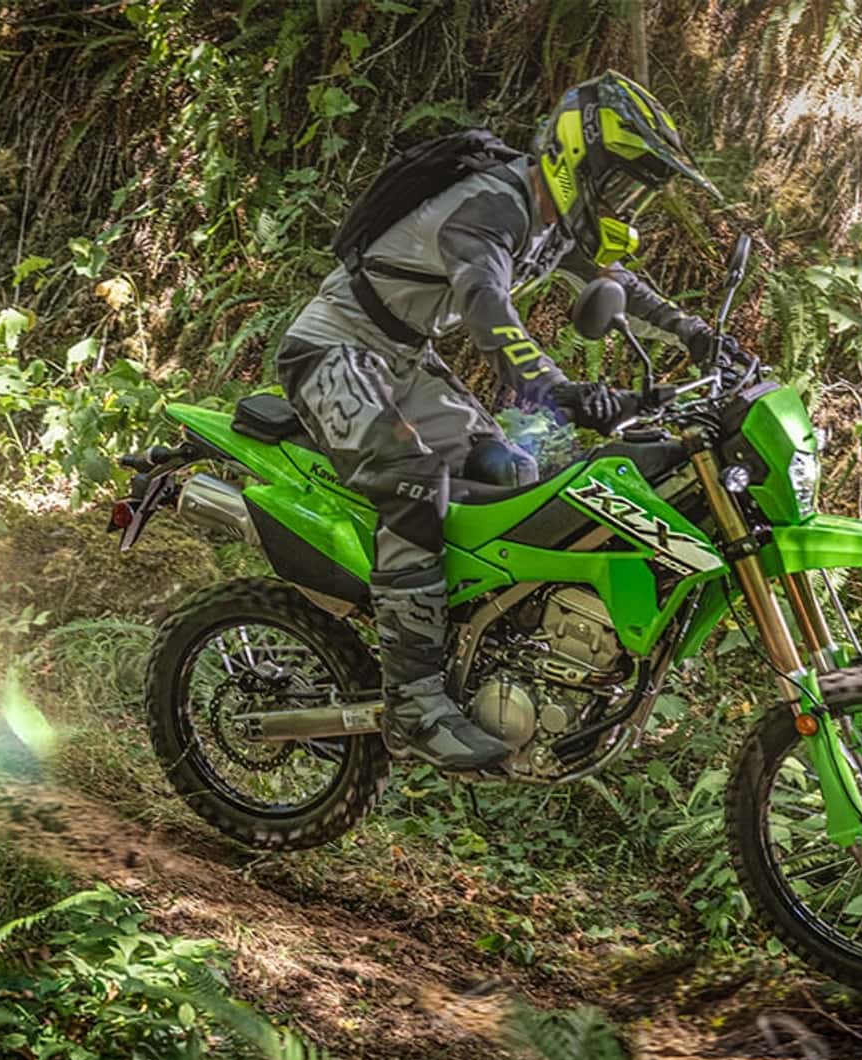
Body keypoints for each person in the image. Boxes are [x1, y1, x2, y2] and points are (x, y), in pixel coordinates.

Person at [273, 72, 744, 772]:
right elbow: (489, 310)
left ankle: (479, 650)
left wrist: (700, 337)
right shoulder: (491, 207)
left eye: (632, 195)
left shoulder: (551, 222)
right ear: (576, 158)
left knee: (512, 472)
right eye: (616, 185)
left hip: (404, 359)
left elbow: (617, 285)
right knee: (411, 481)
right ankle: (414, 701)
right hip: (334, 348)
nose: (622, 205)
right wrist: (558, 388)